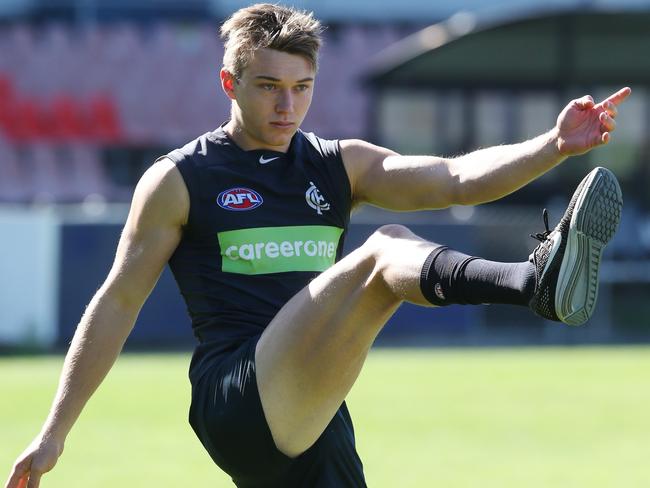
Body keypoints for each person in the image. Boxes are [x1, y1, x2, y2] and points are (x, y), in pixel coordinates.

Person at [6, 4, 631, 487]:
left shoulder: (337, 166)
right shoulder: (178, 180)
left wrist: (552, 146)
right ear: (229, 81)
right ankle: (532, 282)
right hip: (236, 395)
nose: (287, 105)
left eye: (302, 87)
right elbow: (116, 302)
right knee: (385, 248)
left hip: (313, 408)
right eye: (268, 86)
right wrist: (55, 432)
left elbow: (453, 179)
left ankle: (537, 281)